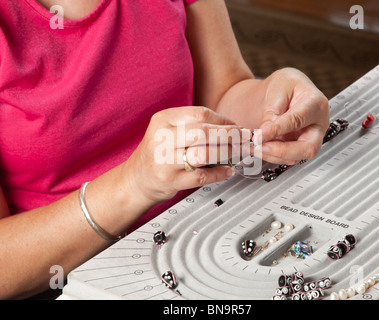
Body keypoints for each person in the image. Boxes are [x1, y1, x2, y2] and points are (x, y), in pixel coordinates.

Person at [0, 0, 329, 299]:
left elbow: (223, 93)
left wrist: (277, 101)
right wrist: (133, 185)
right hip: (70, 278)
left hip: (200, 227)